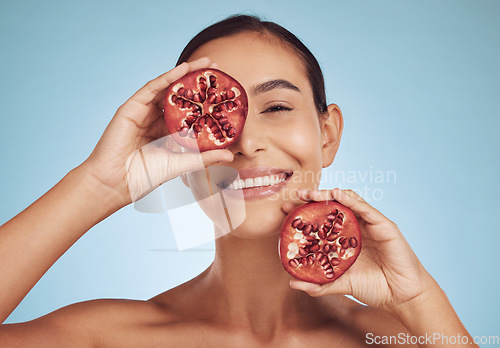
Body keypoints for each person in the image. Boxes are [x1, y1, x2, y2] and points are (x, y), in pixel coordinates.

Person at [0, 15, 476, 347]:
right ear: (172, 145)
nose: (246, 143)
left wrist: (418, 299)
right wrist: (99, 185)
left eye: (277, 107)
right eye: (213, 117)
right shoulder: (102, 339)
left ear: (327, 135)